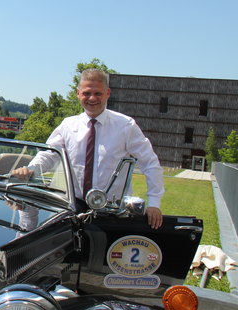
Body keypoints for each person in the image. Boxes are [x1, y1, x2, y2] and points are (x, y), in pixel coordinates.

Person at [13, 68, 164, 229]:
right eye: (86, 93)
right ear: (78, 93)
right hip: (74, 207)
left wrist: (154, 203)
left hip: (113, 211)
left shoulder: (126, 126)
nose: (92, 98)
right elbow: (49, 155)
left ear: (107, 93)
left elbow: (150, 163)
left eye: (98, 93)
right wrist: (30, 169)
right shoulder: (68, 125)